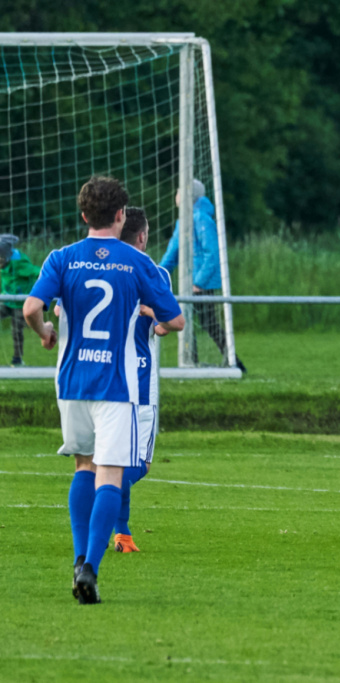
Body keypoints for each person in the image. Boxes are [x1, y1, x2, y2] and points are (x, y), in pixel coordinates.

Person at [23, 176, 184, 604]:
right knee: (110, 473)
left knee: (83, 466)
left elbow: (31, 308)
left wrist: (45, 331)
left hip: (73, 382)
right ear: (120, 216)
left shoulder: (61, 258)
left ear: (83, 216)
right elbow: (176, 320)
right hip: (117, 384)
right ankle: (90, 568)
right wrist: (151, 313)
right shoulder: (135, 262)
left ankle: (79, 558)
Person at [110, 207, 174, 554]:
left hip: (104, 377)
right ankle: (103, 494)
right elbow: (164, 326)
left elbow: (59, 309)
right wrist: (151, 313)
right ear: (143, 236)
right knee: (139, 465)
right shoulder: (155, 272)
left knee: (113, 458)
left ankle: (123, 534)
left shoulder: (100, 267)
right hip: (140, 379)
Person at [158, 179, 244, 372]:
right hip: (189, 283)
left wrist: (199, 282)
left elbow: (212, 254)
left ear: (189, 194)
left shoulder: (202, 219)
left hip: (199, 284)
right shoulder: (184, 220)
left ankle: (233, 361)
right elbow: (172, 254)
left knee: (208, 323)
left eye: (179, 191)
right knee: (188, 322)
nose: (176, 195)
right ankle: (191, 361)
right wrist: (155, 275)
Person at [0, 234, 41, 366]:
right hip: (7, 301)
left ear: (6, 256)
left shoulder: (20, 265)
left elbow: (37, 271)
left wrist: (51, 279)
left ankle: (17, 359)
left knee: (16, 331)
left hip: (20, 303)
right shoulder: (3, 264)